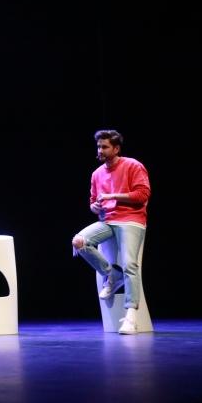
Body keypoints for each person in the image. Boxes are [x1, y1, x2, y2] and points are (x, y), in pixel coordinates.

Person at [71, 129, 151, 335]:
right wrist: (95, 207)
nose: (100, 150)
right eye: (99, 146)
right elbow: (92, 202)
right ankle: (111, 274)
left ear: (116, 148)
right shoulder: (97, 174)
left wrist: (113, 195)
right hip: (108, 220)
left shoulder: (133, 165)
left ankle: (131, 316)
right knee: (79, 241)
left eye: (105, 147)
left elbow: (142, 195)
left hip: (131, 220)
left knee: (130, 264)